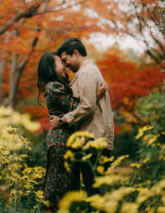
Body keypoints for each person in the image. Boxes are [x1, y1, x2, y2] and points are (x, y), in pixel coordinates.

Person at [38, 52, 108, 212]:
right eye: (59, 63)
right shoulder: (54, 86)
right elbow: (76, 107)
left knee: (66, 187)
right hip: (61, 142)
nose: (64, 65)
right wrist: (95, 95)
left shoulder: (60, 85)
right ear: (50, 68)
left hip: (65, 142)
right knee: (58, 189)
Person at [49, 38, 114, 196]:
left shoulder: (85, 73)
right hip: (98, 137)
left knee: (94, 192)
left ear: (76, 53)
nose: (65, 65)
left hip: (92, 138)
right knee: (97, 190)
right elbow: (90, 103)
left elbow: (87, 106)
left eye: (65, 60)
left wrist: (62, 120)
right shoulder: (91, 70)